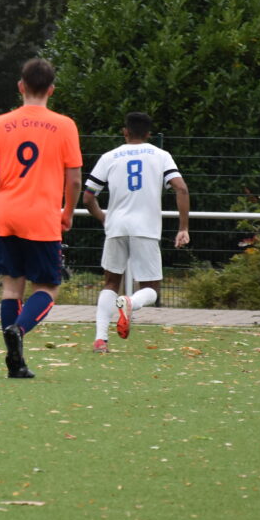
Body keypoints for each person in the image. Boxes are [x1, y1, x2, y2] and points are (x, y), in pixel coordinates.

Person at [0, 58, 83, 379]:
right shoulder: (65, 125)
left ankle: (16, 362)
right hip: (42, 216)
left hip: (7, 214)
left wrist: (5, 187)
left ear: (20, 86)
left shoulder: (0, 123)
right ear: (51, 89)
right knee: (48, 288)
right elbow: (75, 180)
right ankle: (19, 330)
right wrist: (67, 213)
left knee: (11, 289)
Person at [82, 111, 190, 351]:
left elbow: (88, 197)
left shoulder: (110, 156)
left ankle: (100, 339)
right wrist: (183, 227)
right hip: (146, 228)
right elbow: (181, 189)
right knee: (151, 288)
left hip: (116, 227)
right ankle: (131, 302)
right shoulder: (161, 156)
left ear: (125, 132)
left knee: (111, 283)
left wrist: (104, 219)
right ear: (149, 134)